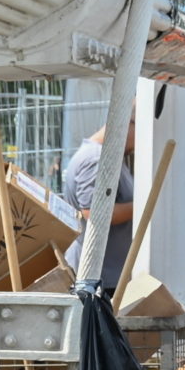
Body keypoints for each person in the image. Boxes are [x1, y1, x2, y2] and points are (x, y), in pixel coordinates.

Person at [64, 124, 136, 293]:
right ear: (128, 125)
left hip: (104, 275)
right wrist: (142, 206)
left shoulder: (104, 156)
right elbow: (95, 213)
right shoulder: (96, 159)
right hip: (98, 279)